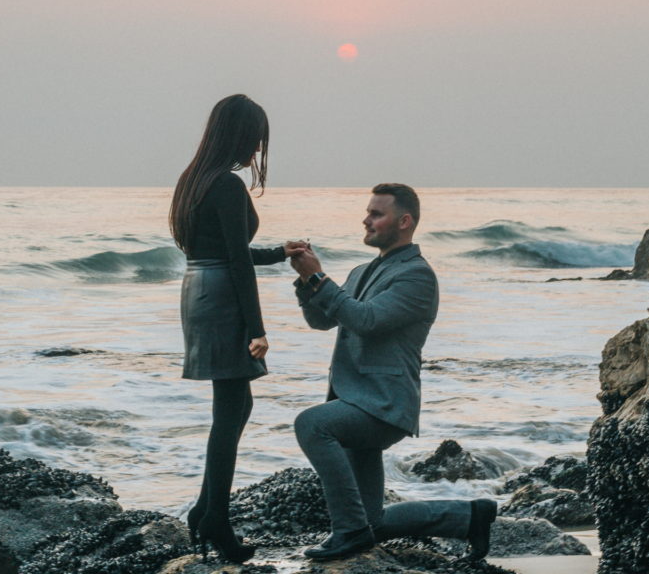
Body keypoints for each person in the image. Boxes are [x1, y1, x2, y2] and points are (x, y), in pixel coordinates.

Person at [288, 183, 497, 562]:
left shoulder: (417, 276)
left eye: (376, 214)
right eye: (368, 212)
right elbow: (321, 320)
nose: (366, 219)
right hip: (355, 398)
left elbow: (366, 320)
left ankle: (347, 532)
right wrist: (307, 281)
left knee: (311, 425)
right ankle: (470, 517)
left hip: (384, 405)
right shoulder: (361, 270)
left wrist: (320, 280)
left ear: (404, 221)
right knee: (373, 523)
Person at [169, 94, 304, 564]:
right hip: (223, 296)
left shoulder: (193, 180)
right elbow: (237, 266)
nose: (257, 151)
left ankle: (207, 510)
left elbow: (224, 250)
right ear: (239, 137)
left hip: (198, 289)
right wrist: (258, 329)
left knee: (233, 406)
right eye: (255, 140)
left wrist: (277, 253)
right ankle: (215, 521)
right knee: (231, 411)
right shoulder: (226, 184)